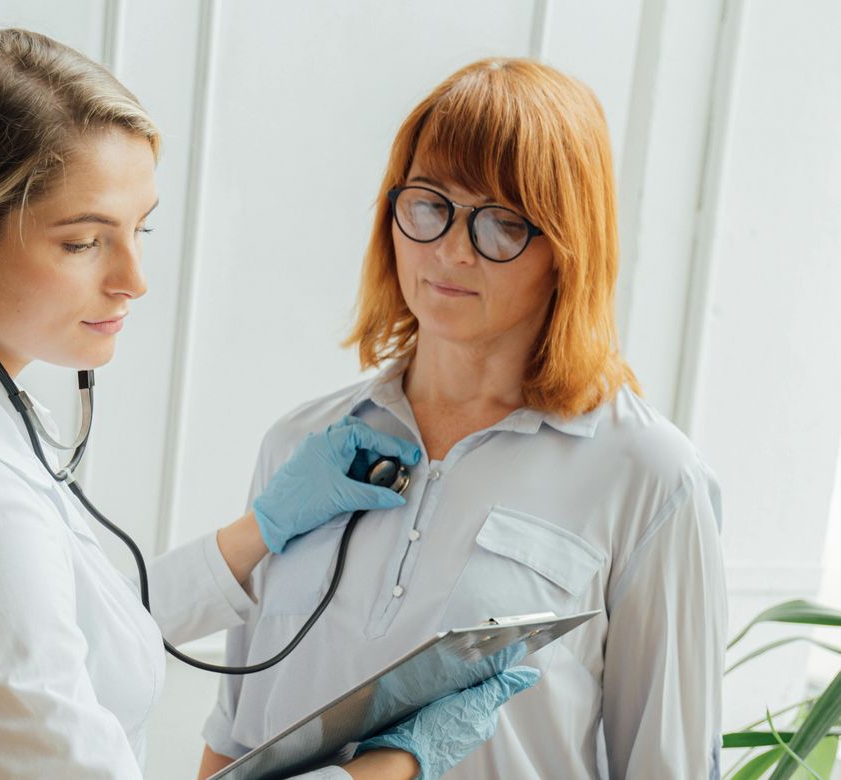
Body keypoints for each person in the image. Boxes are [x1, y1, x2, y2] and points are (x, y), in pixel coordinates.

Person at [0, 29, 538, 780]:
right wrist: (396, 766)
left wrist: (261, 530)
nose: (135, 278)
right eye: (83, 242)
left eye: (141, 229)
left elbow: (59, 626)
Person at [198, 58, 728, 780]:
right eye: (429, 203)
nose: (450, 249)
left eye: (502, 223)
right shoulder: (302, 444)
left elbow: (671, 767)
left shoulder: (651, 477)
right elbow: (233, 741)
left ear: (567, 251)